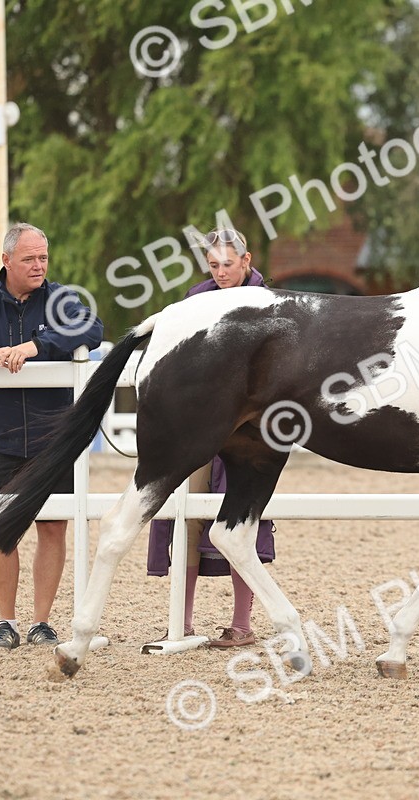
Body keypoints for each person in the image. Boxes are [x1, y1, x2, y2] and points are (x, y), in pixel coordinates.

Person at [0, 222, 103, 650]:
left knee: (52, 528)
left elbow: (92, 329)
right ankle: (5, 622)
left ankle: (42, 623)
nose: (39, 265)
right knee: (1, 529)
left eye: (43, 257)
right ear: (6, 260)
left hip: (54, 438)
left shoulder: (61, 298)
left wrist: (36, 345)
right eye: (29, 258)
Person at [145, 228, 276, 647]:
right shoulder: (193, 302)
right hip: (200, 426)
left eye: (228, 264)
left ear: (247, 260)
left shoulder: (269, 304)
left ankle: (242, 624)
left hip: (250, 431)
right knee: (183, 514)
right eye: (214, 265)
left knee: (243, 519)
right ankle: (180, 623)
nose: (221, 273)